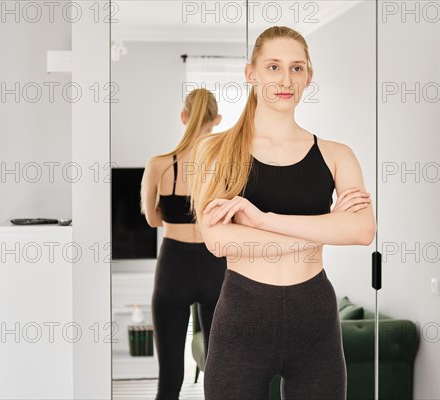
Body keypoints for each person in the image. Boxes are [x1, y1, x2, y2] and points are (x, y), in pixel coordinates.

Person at [187, 26, 377, 400]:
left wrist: (260, 221)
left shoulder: (338, 154)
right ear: (251, 73)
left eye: (296, 68)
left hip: (315, 317)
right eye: (273, 67)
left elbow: (361, 232)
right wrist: (324, 229)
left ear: (308, 76)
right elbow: (220, 240)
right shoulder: (216, 150)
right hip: (243, 316)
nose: (285, 79)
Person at [140, 88, 227, 399]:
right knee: (218, 371)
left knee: (170, 376)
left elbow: (152, 219)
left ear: (183, 117)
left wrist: (172, 213)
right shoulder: (225, 165)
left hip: (173, 268)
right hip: (215, 266)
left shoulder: (159, 165)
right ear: (216, 120)